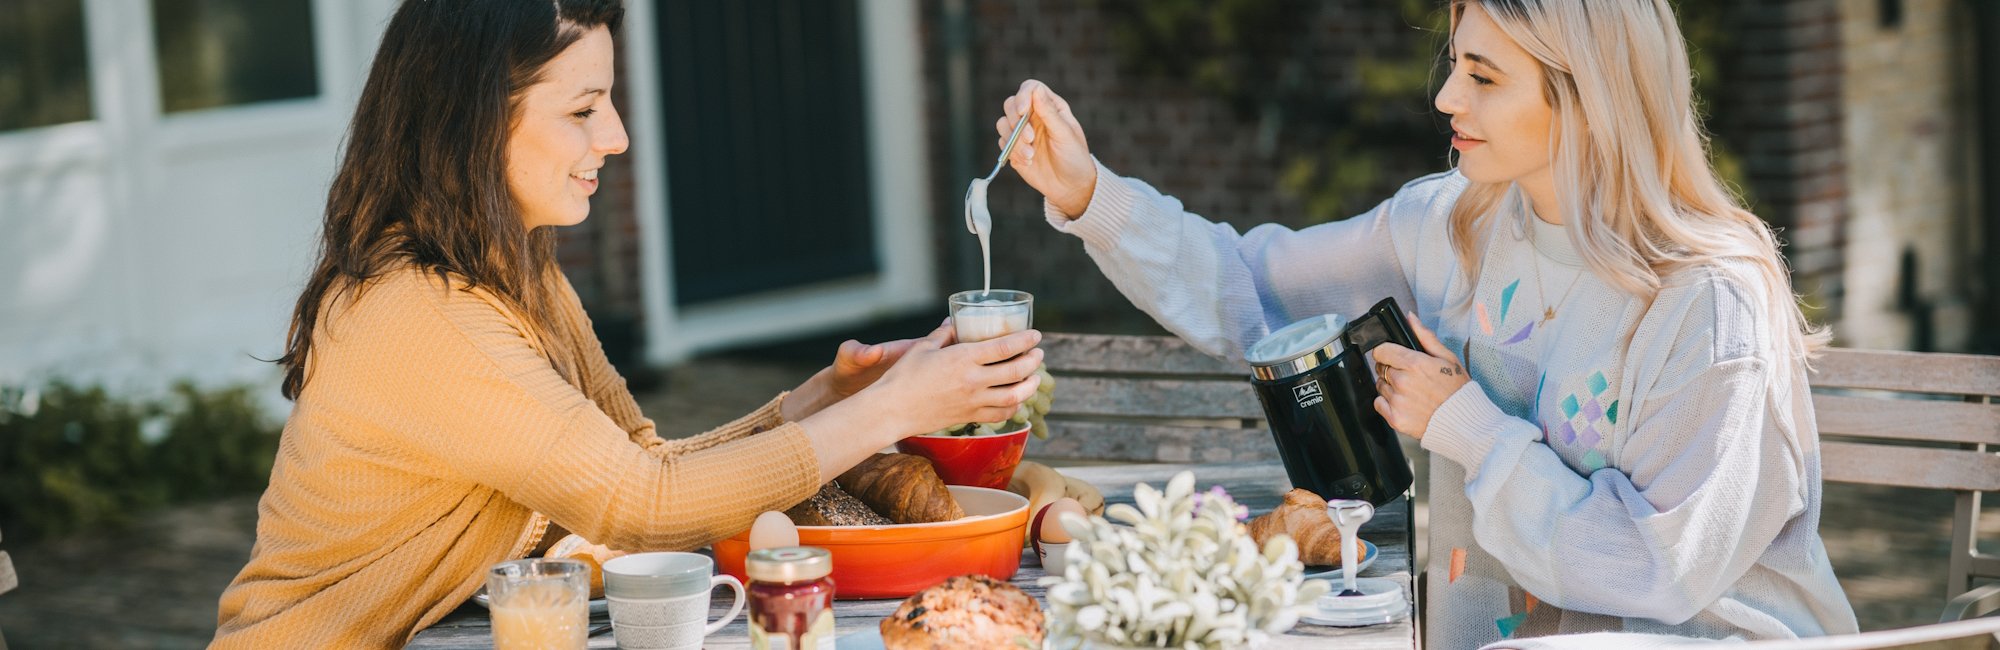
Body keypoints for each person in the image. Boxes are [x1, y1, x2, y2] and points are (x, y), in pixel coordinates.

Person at [994, 0, 1858, 645]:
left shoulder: (1709, 301)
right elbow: (1251, 291)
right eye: (1456, 64)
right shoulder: (1453, 225)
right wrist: (1088, 193)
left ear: (1590, 97)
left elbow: (1656, 570)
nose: (1447, 96)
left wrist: (1467, 427)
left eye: (1484, 77)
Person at [211, 1, 1041, 646]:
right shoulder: (422, 313)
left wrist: (815, 402)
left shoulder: (515, 271)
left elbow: (640, 465)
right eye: (584, 109)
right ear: (473, 120)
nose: (616, 136)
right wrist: (888, 415)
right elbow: (640, 505)